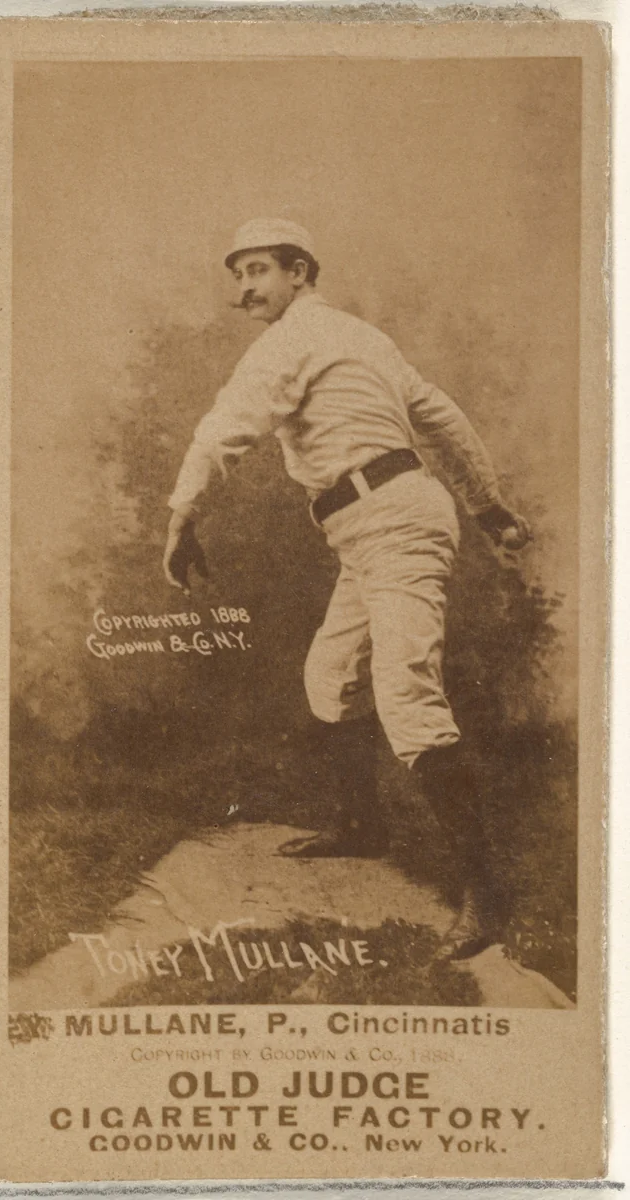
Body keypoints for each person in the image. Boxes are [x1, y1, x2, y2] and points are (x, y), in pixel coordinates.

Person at [163, 218, 531, 960]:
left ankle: (486, 896)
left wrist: (181, 517)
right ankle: (363, 828)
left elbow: (226, 427)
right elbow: (444, 418)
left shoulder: (294, 339)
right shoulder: (367, 338)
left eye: (259, 271)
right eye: (240, 276)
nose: (245, 290)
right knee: (329, 676)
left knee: (406, 695)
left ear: (300, 273)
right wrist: (486, 507)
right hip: (369, 525)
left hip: (392, 520)